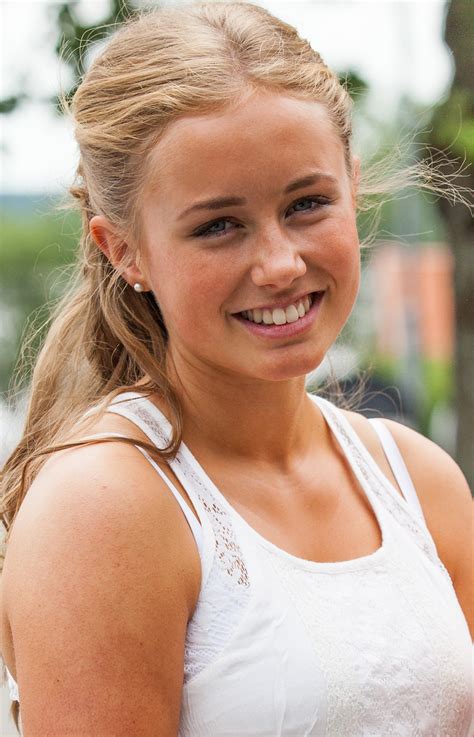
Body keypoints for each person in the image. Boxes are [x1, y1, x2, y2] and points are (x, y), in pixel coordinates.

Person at [0, 2, 472, 735]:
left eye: (308, 202)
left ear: (352, 185)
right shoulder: (104, 508)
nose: (281, 264)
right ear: (123, 248)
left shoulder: (421, 482)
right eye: (218, 225)